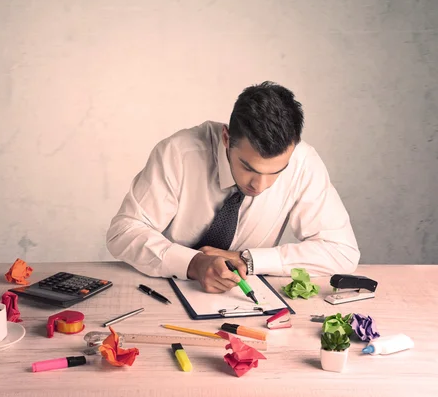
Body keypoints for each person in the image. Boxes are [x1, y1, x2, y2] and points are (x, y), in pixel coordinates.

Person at [106, 81, 360, 293]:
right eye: (249, 167)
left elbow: (342, 251)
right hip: (167, 290)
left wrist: (247, 259)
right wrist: (193, 263)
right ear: (227, 139)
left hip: (243, 299)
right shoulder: (179, 152)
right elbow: (123, 232)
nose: (260, 185)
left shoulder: (303, 162)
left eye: (276, 172)